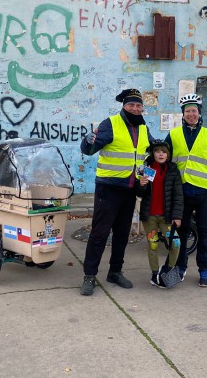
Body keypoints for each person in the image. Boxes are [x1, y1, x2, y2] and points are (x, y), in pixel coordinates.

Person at [79, 88, 153, 296]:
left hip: (130, 190)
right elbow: (90, 149)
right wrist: (88, 141)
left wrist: (148, 177)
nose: (135, 109)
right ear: (124, 106)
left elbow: (148, 155)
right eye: (131, 105)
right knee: (99, 234)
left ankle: (115, 272)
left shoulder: (144, 128)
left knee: (122, 235)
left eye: (139, 105)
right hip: (108, 189)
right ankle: (89, 275)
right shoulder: (110, 123)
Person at [165, 93, 207, 288]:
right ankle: (180, 268)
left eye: (194, 111)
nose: (191, 114)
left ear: (199, 114)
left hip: (204, 192)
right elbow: (162, 158)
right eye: (188, 111)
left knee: (205, 233)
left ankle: (205, 269)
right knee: (180, 233)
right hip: (182, 193)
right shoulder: (173, 135)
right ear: (183, 114)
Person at [136, 140, 184, 288]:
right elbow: (139, 193)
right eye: (157, 151)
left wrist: (177, 216)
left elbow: (178, 194)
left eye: (164, 151)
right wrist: (141, 185)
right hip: (149, 216)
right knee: (153, 245)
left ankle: (167, 270)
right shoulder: (146, 168)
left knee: (175, 243)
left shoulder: (173, 169)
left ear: (168, 154)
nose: (161, 154)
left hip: (166, 217)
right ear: (153, 153)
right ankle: (154, 274)